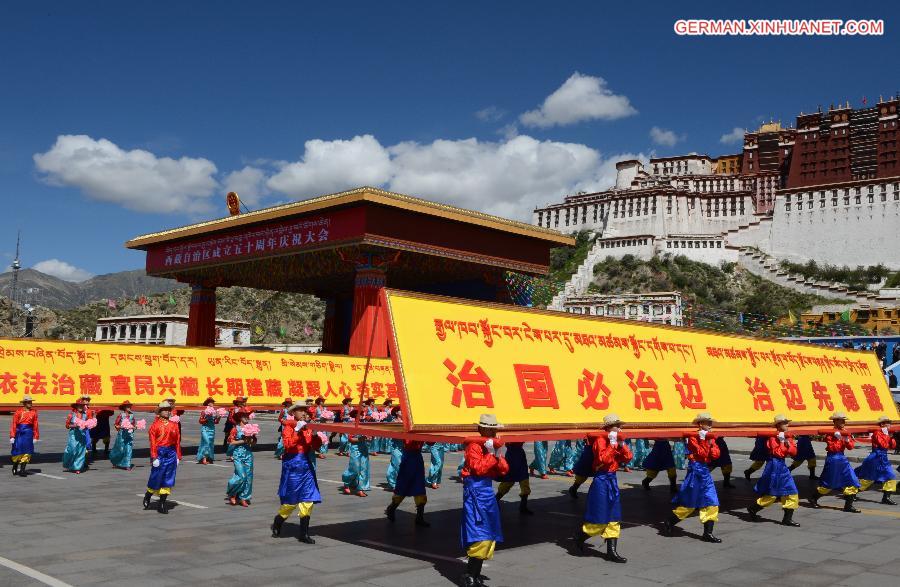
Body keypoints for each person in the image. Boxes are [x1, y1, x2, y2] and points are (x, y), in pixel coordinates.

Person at [574, 414, 632, 563]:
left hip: (612, 480)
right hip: (601, 480)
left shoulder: (616, 440)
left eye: (620, 426)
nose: (620, 428)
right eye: (617, 425)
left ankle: (611, 552)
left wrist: (621, 445)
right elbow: (603, 460)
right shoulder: (600, 440)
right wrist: (612, 445)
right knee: (598, 520)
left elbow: (628, 457)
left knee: (614, 518)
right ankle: (579, 536)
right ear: (608, 428)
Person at [459, 414, 508, 587]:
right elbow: (478, 469)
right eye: (490, 428)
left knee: (489, 533)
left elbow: (503, 470)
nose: (494, 431)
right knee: (480, 534)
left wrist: (497, 454)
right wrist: (492, 456)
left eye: (495, 428)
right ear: (481, 429)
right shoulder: (473, 446)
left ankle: (475, 575)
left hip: (486, 492)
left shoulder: (489, 446)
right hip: (475, 493)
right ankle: (470, 576)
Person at [662, 412, 723, 543]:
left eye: (711, 422)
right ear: (701, 424)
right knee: (689, 504)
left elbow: (716, 454)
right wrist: (704, 440)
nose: (711, 425)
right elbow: (701, 452)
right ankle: (669, 521)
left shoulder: (709, 436)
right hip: (695, 471)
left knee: (712, 502)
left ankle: (708, 533)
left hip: (704, 471)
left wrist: (710, 442)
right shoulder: (693, 436)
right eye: (708, 422)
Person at [271, 403, 322, 544]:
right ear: (294, 413)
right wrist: (298, 431)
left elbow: (315, 447)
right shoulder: (289, 427)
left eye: (305, 411)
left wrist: (317, 436)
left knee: (308, 499)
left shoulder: (307, 427)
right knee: (291, 500)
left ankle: (303, 533)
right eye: (300, 411)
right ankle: (279, 520)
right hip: (293, 464)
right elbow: (287, 445)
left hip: (306, 465)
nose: (304, 413)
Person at [747, 415, 800, 526]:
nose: (787, 424)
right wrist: (782, 442)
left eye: (787, 422)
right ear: (778, 425)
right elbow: (778, 453)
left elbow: (794, 452)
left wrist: (787, 442)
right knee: (772, 493)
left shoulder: (787, 436)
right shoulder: (772, 437)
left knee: (792, 491)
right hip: (774, 465)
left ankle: (787, 519)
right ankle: (753, 508)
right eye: (784, 422)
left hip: (782, 465)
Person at [809, 411, 861, 512]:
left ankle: (848, 506)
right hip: (833, 458)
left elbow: (850, 447)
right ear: (835, 421)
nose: (843, 422)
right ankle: (813, 498)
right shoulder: (830, 433)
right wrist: (839, 438)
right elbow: (833, 447)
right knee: (829, 482)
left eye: (843, 420)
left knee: (852, 480)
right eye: (840, 420)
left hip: (842, 458)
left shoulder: (845, 431)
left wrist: (846, 439)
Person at [143, 402, 182, 514]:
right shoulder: (154, 426)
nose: (167, 411)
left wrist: (178, 456)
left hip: (171, 453)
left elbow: (177, 442)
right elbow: (153, 443)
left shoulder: (174, 425)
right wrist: (154, 457)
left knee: (168, 478)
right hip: (159, 454)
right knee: (156, 477)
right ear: (159, 412)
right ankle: (148, 495)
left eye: (168, 409)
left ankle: (162, 503)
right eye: (164, 409)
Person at [385, 439, 430, 526]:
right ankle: (392, 508)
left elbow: (430, 442)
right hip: (409, 457)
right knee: (403, 485)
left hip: (417, 457)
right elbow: (408, 440)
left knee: (419, 486)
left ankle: (419, 517)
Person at [854, 415, 897, 505]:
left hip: (883, 458)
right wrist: (887, 436)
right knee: (868, 479)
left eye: (890, 423)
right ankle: (851, 493)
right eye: (887, 423)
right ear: (882, 424)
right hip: (875, 457)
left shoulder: (887, 433)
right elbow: (883, 445)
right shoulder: (877, 433)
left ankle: (886, 497)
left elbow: (892, 446)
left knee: (891, 476)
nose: (890, 424)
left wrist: (891, 437)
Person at [226, 410, 256, 507]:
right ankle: (232, 493)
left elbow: (254, 443)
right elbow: (231, 442)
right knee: (241, 476)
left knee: (249, 477)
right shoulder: (235, 429)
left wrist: (251, 440)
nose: (247, 417)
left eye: (247, 416)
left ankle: (244, 497)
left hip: (248, 454)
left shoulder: (251, 428)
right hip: (238, 455)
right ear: (240, 418)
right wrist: (243, 441)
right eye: (244, 416)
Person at [495, 442, 533, 515]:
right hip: (511, 455)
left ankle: (523, 506)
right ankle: (495, 500)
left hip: (520, 454)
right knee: (508, 481)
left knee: (524, 480)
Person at [10, 395, 39, 477]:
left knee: (27, 452)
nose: (31, 403)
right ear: (24, 403)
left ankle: (22, 470)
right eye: (29, 402)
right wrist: (12, 436)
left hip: (29, 433)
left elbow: (35, 425)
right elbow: (14, 424)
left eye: (31, 402)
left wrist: (35, 436)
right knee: (17, 451)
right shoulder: (18, 412)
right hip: (19, 433)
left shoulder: (34, 412)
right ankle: (15, 466)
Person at [341, 419, 371, 497]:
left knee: (364, 469)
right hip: (355, 449)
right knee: (355, 468)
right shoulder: (353, 426)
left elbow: (369, 437)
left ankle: (360, 489)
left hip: (364, 448)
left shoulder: (365, 425)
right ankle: (346, 482)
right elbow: (350, 439)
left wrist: (369, 438)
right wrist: (361, 439)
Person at [62, 399, 89, 473]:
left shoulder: (85, 415)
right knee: (72, 449)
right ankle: (68, 463)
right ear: (76, 406)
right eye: (79, 405)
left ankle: (77, 467)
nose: (81, 407)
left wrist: (88, 425)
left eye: (82, 405)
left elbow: (86, 425)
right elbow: (67, 425)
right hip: (73, 434)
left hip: (82, 434)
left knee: (81, 451)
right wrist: (74, 425)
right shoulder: (71, 415)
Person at [109, 401, 136, 470]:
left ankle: (127, 464)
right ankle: (116, 461)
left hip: (129, 434)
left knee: (129, 449)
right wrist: (119, 427)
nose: (129, 408)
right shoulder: (121, 415)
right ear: (124, 408)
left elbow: (133, 424)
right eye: (127, 406)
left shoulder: (132, 415)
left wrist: (134, 427)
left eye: (130, 406)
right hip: (122, 434)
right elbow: (116, 424)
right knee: (120, 449)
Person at [197, 398, 220, 464]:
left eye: (213, 402)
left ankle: (209, 457)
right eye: (211, 402)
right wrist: (206, 419)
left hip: (212, 429)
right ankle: (204, 458)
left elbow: (216, 422)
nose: (213, 403)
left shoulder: (214, 411)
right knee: (206, 442)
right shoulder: (204, 411)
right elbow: (200, 421)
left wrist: (218, 417)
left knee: (210, 444)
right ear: (208, 403)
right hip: (205, 429)